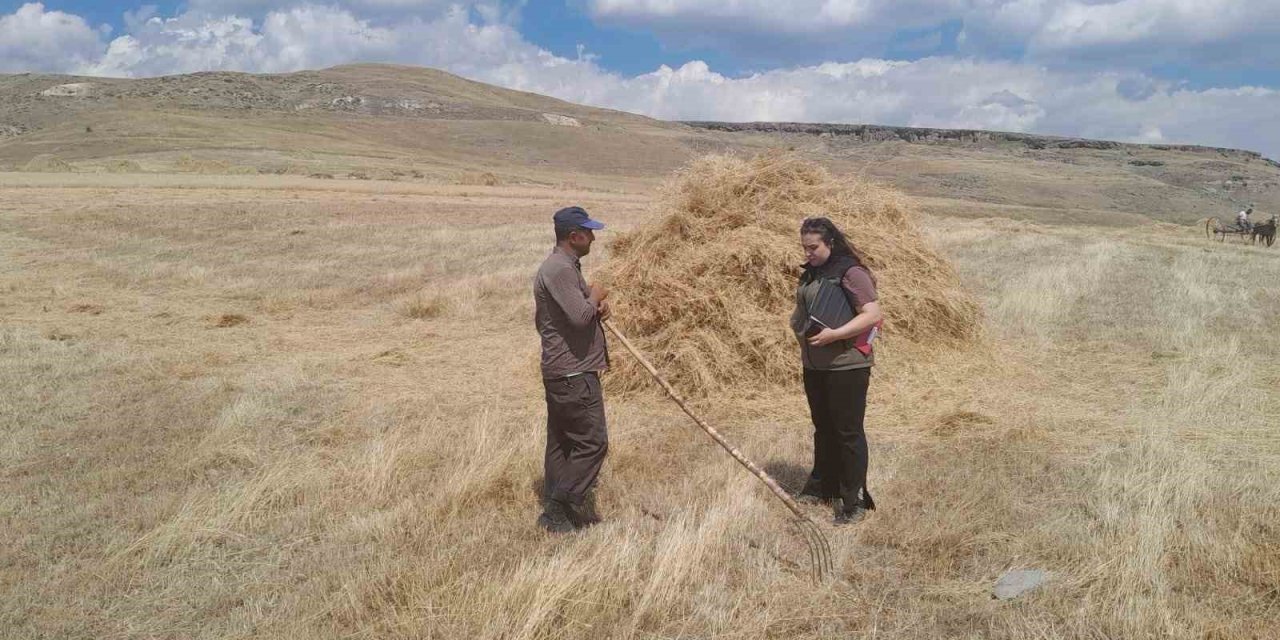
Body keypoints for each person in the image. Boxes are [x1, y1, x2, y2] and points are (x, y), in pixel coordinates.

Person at [790, 217, 883, 525]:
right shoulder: (813, 274)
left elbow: (872, 314)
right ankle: (822, 488)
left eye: (813, 247)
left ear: (830, 243)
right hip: (815, 365)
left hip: (847, 366)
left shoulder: (851, 272)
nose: (808, 253)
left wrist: (836, 335)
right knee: (824, 428)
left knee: (848, 433)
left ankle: (854, 499)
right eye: (804, 248)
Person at [532, 206, 612, 533]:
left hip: (564, 372)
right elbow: (580, 317)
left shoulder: (565, 266)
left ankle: (559, 511)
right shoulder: (559, 270)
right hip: (572, 374)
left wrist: (595, 307)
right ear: (574, 236)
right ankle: (559, 507)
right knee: (593, 442)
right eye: (589, 232)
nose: (593, 237)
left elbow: (576, 313)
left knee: (563, 442)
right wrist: (594, 296)